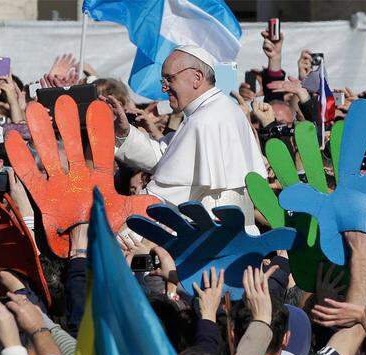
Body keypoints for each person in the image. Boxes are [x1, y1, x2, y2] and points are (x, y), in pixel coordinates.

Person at [110, 44, 266, 230]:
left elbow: (164, 194)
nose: (164, 88)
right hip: (233, 238)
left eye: (169, 79)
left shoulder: (205, 119)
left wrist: (122, 229)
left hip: (213, 243)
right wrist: (124, 133)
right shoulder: (219, 109)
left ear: (197, 78)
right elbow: (167, 156)